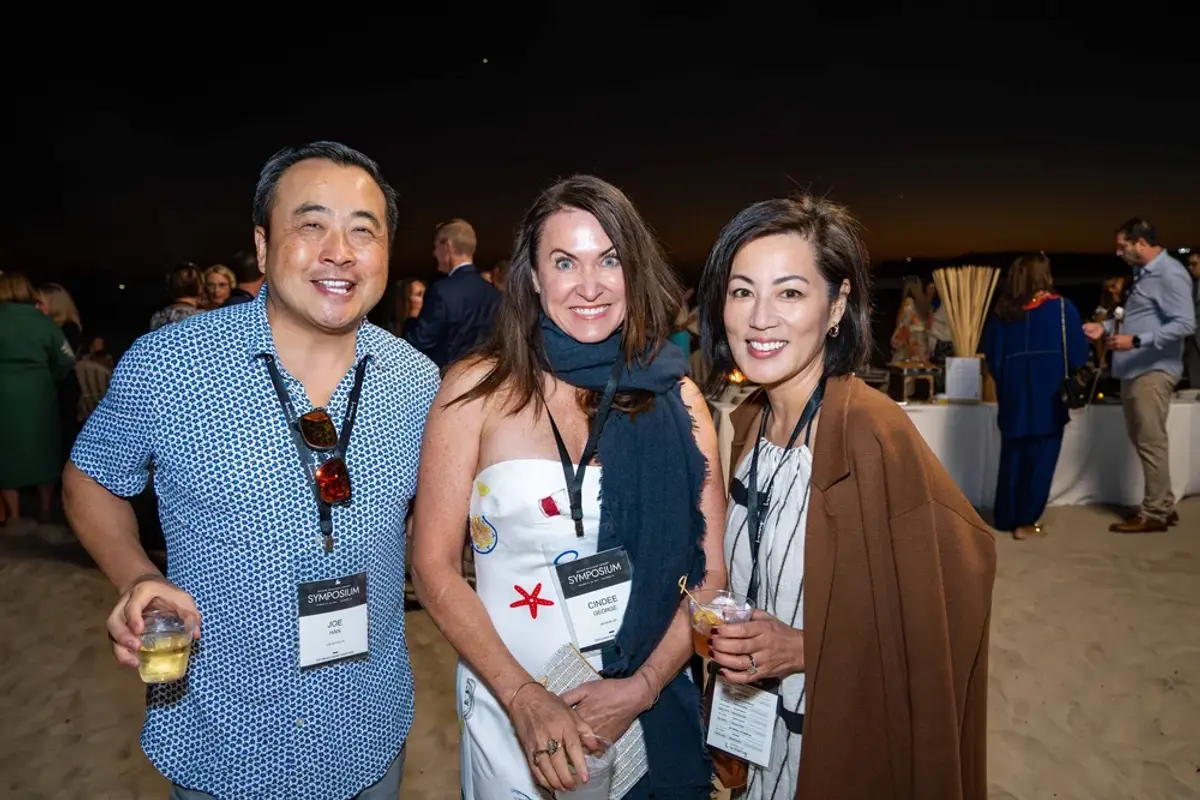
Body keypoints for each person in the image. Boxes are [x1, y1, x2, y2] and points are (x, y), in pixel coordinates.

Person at [64, 141, 439, 800]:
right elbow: (91, 478)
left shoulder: (416, 380)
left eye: (363, 230)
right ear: (263, 248)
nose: (339, 251)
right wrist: (138, 576)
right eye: (311, 224)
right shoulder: (168, 365)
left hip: (369, 730)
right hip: (224, 738)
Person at [411, 175, 727, 798]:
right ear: (531, 276)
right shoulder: (474, 390)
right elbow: (433, 566)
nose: (590, 285)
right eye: (565, 261)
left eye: (610, 259)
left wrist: (639, 690)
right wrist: (524, 698)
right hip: (510, 707)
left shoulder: (680, 400)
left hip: (644, 696)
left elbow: (710, 573)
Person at [698, 196, 995, 799]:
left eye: (789, 293)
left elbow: (960, 585)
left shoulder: (870, 431)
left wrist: (807, 647)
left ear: (836, 306)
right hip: (760, 733)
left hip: (833, 741)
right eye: (741, 291)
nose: (759, 319)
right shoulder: (750, 421)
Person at [1082, 218, 1196, 532]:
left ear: (1141, 243)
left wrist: (1135, 341)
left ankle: (1155, 513)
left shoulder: (1170, 274)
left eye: (1123, 246)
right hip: (1133, 368)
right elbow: (1138, 320)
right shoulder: (1142, 275)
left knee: (1150, 440)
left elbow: (1186, 324)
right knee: (1145, 438)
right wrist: (1102, 328)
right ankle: (1164, 504)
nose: (1119, 253)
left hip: (1153, 370)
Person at [982, 254, 1090, 538]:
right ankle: (1026, 521)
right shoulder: (1063, 308)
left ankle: (1005, 517)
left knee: (1012, 458)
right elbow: (1078, 355)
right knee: (1040, 460)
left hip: (1013, 397)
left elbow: (992, 358)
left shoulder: (1001, 313)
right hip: (1050, 396)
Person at [0, 273, 76, 526]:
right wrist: (50, 376)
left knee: (6, 450)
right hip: (39, 391)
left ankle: (14, 514)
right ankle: (44, 510)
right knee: (44, 448)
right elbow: (66, 358)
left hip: (4, 392)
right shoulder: (43, 322)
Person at [405, 218, 500, 368]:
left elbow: (417, 342)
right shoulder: (495, 295)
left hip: (446, 380)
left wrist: (412, 314)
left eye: (435, 247)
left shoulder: (440, 291)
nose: (434, 254)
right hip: (484, 379)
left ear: (447, 246)